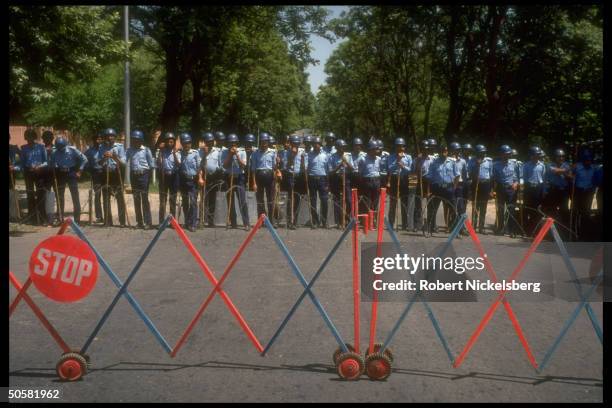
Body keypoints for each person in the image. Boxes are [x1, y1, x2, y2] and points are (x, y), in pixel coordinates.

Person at [50, 136, 88, 225]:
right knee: (60, 197)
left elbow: (84, 159)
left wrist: (80, 171)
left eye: (62, 148)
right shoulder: (54, 152)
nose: (61, 150)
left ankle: (77, 219)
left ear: (65, 145)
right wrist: (54, 167)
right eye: (59, 148)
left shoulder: (72, 150)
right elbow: (52, 163)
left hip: (71, 172)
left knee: (75, 196)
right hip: (60, 174)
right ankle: (60, 218)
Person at [425, 144, 459, 234]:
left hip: (449, 189)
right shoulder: (434, 163)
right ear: (439, 152)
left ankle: (452, 228)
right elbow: (429, 177)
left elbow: (457, 175)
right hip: (437, 188)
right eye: (442, 150)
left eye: (446, 151)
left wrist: (454, 187)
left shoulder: (452, 162)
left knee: (453, 209)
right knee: (432, 209)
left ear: (448, 152)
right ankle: (431, 227)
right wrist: (428, 191)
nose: (444, 152)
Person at [126, 130, 155, 229]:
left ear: (141, 140)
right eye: (134, 139)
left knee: (144, 199)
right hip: (134, 176)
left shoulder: (146, 150)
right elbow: (124, 161)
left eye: (137, 140)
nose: (135, 141)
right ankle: (139, 222)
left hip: (144, 175)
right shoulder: (129, 150)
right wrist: (115, 157)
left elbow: (151, 165)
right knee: (136, 199)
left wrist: (150, 179)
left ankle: (148, 222)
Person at [221, 133, 250, 230]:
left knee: (242, 200)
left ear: (237, 143)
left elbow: (243, 165)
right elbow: (224, 166)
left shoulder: (242, 151)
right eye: (230, 143)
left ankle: (246, 223)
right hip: (229, 178)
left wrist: (236, 155)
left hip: (239, 178)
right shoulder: (224, 152)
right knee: (230, 201)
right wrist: (230, 154)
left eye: (234, 143)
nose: (232, 145)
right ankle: (233, 222)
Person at [20, 129, 48, 225]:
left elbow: (46, 161)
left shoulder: (41, 147)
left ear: (34, 137)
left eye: (31, 136)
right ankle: (31, 217)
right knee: (30, 195)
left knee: (41, 195)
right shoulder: (23, 148)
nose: (29, 138)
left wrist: (39, 166)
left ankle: (42, 217)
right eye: (27, 136)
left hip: (40, 172)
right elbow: (22, 163)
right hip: (29, 173)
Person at [99, 128, 127, 227]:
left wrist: (115, 157)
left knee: (119, 197)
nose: (110, 138)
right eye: (108, 136)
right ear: (105, 137)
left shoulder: (119, 147)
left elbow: (123, 163)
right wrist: (104, 157)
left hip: (117, 173)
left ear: (114, 137)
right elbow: (99, 163)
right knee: (106, 198)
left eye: (112, 136)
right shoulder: (101, 147)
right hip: (106, 173)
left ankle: (122, 221)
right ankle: (107, 221)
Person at [492, 144, 520, 236]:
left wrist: (515, 184)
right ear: (501, 154)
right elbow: (494, 179)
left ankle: (511, 230)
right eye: (505, 154)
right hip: (500, 189)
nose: (508, 155)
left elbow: (517, 178)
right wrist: (493, 190)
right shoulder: (495, 165)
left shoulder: (514, 164)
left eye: (509, 154)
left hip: (511, 190)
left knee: (511, 210)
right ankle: (500, 228)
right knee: (500, 209)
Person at [177, 133, 203, 232]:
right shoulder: (180, 154)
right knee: (185, 202)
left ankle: (193, 223)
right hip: (184, 180)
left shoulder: (195, 153)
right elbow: (178, 164)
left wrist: (200, 178)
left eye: (189, 143)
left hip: (193, 180)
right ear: (182, 144)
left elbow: (199, 167)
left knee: (193, 202)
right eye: (185, 143)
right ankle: (187, 221)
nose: (187, 145)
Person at [251, 133, 278, 223]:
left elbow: (275, 168)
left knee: (270, 199)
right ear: (260, 142)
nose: (264, 144)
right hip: (259, 177)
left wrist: (278, 163)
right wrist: (254, 183)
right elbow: (253, 170)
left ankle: (271, 219)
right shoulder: (255, 153)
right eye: (262, 142)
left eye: (265, 142)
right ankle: (261, 220)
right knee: (260, 200)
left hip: (270, 178)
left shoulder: (273, 152)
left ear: (268, 142)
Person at [386, 137, 412, 231]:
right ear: (395, 147)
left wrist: (403, 166)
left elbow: (410, 170)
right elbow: (389, 169)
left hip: (404, 179)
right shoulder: (391, 157)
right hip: (394, 179)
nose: (400, 148)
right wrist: (397, 160)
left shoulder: (408, 157)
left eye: (402, 146)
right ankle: (391, 223)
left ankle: (405, 224)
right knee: (393, 202)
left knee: (404, 202)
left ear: (404, 147)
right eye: (398, 146)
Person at [327, 138, 353, 229]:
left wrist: (346, 162)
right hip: (336, 179)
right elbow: (330, 172)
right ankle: (338, 221)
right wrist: (339, 165)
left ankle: (346, 219)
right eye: (341, 147)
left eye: (344, 147)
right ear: (337, 147)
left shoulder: (348, 155)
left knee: (349, 201)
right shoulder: (332, 157)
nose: (343, 149)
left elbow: (352, 169)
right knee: (337, 201)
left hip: (346, 179)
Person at [467, 144, 493, 234]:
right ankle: (473, 226)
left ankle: (481, 227)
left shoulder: (489, 161)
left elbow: (491, 175)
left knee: (483, 207)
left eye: (484, 152)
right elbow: (469, 173)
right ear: (477, 153)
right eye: (481, 153)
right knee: (475, 206)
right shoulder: (471, 161)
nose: (483, 154)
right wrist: (476, 165)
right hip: (476, 184)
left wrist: (491, 189)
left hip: (485, 184)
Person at [283, 135, 307, 229]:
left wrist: (302, 160)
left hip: (299, 176)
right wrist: (292, 156)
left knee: (297, 198)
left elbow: (305, 166)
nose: (295, 145)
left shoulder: (302, 152)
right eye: (294, 143)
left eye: (297, 144)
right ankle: (290, 221)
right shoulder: (287, 153)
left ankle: (295, 220)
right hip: (290, 176)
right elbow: (286, 166)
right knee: (291, 199)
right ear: (291, 143)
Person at [521, 146, 546, 236]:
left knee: (537, 210)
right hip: (529, 188)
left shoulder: (542, 165)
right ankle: (526, 230)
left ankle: (535, 231)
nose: (537, 156)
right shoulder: (526, 165)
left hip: (538, 188)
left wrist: (542, 191)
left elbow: (543, 178)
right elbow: (524, 178)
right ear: (531, 155)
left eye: (538, 155)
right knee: (527, 209)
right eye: (535, 155)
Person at [307, 136, 330, 229]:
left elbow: (328, 170)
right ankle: (315, 221)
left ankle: (324, 221)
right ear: (312, 145)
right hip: (312, 179)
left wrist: (328, 183)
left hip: (323, 179)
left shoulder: (325, 155)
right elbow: (306, 168)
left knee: (324, 200)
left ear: (320, 145)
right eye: (314, 144)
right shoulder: (309, 155)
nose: (316, 145)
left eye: (318, 144)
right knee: (313, 201)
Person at [572, 149, 596, 239]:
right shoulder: (577, 167)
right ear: (583, 160)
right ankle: (575, 230)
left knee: (586, 212)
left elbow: (595, 180)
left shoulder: (593, 168)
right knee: (576, 211)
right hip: (578, 192)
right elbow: (570, 175)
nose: (588, 162)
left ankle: (585, 231)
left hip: (588, 192)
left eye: (589, 160)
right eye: (586, 160)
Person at [157, 132, 180, 225]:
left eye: (171, 142)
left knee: (173, 200)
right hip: (163, 177)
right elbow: (158, 163)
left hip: (173, 177)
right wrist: (160, 151)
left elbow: (178, 164)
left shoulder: (177, 152)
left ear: (174, 142)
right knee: (163, 200)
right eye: (168, 142)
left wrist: (174, 154)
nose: (170, 144)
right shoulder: (161, 151)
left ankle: (173, 222)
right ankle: (161, 222)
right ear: (165, 142)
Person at [544, 148, 571, 226]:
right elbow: (555, 170)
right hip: (553, 190)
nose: (561, 158)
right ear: (555, 157)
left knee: (564, 209)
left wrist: (566, 171)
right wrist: (566, 171)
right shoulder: (549, 164)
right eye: (559, 156)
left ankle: (564, 227)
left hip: (564, 191)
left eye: (562, 156)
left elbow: (570, 174)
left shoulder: (566, 164)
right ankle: (551, 228)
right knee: (552, 210)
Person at [201, 132, 223, 227]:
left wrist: (217, 173)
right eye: (207, 142)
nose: (209, 143)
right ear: (205, 142)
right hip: (204, 177)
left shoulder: (217, 151)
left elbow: (220, 164)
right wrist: (205, 155)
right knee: (204, 199)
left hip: (214, 177)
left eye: (211, 141)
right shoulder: (200, 151)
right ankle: (202, 219)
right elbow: (200, 164)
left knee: (213, 199)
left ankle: (211, 220)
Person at [358, 139, 382, 225]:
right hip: (366, 181)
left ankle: (374, 220)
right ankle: (366, 221)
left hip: (376, 181)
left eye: (377, 149)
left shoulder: (379, 159)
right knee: (367, 202)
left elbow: (380, 170)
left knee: (375, 201)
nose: (377, 151)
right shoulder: (362, 159)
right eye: (375, 149)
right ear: (370, 150)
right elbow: (360, 173)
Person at [85, 132, 105, 223]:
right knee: (97, 195)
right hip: (96, 174)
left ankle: (108, 216)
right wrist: (89, 169)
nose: (98, 141)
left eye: (100, 139)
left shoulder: (105, 149)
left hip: (105, 173)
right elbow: (84, 161)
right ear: (93, 141)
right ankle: (99, 216)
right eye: (97, 139)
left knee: (106, 195)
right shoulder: (89, 151)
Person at [413, 139, 433, 232]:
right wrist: (418, 161)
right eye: (423, 149)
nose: (425, 151)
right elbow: (413, 172)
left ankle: (430, 224)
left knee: (430, 204)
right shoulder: (417, 159)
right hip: (420, 181)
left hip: (429, 182)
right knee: (418, 204)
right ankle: (417, 224)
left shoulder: (432, 159)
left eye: (427, 149)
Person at [449, 142, 468, 233]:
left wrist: (464, 186)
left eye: (458, 150)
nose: (456, 152)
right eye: (455, 150)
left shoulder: (463, 161)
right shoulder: (448, 160)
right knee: (452, 206)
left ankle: (461, 227)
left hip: (460, 185)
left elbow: (464, 175)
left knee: (461, 207)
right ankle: (452, 226)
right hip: (451, 185)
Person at [41, 130, 59, 225]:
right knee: (46, 194)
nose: (47, 140)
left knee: (58, 194)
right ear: (43, 139)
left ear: (52, 139)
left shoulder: (57, 148)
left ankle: (59, 216)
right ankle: (48, 217)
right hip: (45, 173)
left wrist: (52, 152)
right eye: (45, 138)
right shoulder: (41, 148)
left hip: (55, 173)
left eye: (49, 138)